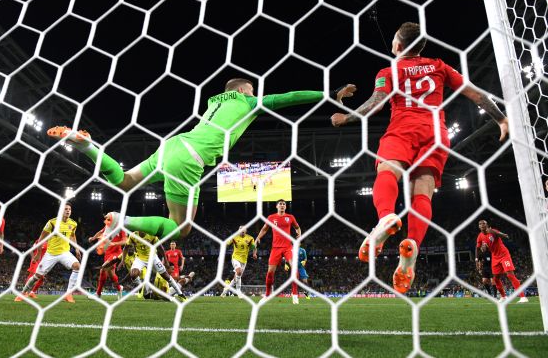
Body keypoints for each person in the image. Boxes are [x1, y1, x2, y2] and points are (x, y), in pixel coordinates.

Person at [47, 79, 356, 240]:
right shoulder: (247, 100)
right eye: (252, 90)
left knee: (125, 182)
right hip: (189, 158)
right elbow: (286, 98)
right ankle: (122, 221)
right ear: (242, 90)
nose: (255, 94)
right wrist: (328, 93)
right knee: (182, 229)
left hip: (172, 145)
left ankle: (87, 146)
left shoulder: (213, 102)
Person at [331, 22, 509, 294]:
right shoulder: (439, 66)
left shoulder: (388, 70)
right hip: (435, 133)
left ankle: (386, 217)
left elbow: (376, 102)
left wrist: (347, 116)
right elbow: (475, 93)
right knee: (422, 193)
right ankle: (411, 246)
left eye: (393, 39)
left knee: (387, 172)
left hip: (402, 129)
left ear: (398, 46)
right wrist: (501, 119)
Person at [15, 203, 81, 303]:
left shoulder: (73, 223)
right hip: (51, 254)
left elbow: (72, 236)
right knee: (37, 276)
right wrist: (38, 254)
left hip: (64, 252)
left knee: (77, 266)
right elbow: (41, 239)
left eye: (69, 209)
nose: (68, 211)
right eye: (65, 209)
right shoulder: (52, 222)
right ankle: (23, 293)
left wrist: (76, 249)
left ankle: (68, 294)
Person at [255, 199, 301, 304]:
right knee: (270, 271)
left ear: (285, 207)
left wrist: (299, 234)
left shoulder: (290, 217)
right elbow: (264, 229)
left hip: (288, 247)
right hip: (275, 248)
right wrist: (258, 238)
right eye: (280, 204)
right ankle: (267, 295)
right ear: (276, 206)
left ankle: (294, 295)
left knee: (294, 267)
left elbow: (297, 228)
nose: (282, 205)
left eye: (284, 204)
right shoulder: (271, 217)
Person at [120, 231, 186, 301]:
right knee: (133, 274)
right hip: (140, 259)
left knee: (166, 276)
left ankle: (181, 294)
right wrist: (123, 260)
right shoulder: (133, 235)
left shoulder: (151, 235)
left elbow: (161, 248)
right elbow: (126, 248)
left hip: (153, 258)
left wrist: (166, 261)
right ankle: (140, 287)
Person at [476, 220, 528, 303]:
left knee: (510, 275)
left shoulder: (493, 231)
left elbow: (505, 236)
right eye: (480, 224)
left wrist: (493, 232)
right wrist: (477, 259)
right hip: (495, 257)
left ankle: (523, 297)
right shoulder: (480, 236)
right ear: (478, 226)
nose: (482, 225)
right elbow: (478, 248)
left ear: (487, 225)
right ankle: (504, 297)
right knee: (496, 279)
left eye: (484, 223)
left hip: (504, 255)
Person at [89, 214, 127, 298]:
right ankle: (119, 288)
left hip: (116, 253)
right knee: (110, 274)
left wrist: (114, 243)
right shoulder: (107, 227)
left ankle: (98, 293)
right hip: (107, 253)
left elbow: (125, 241)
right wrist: (93, 238)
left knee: (103, 269)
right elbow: (100, 232)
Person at [221, 225, 257, 298]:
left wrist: (254, 254)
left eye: (243, 230)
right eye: (240, 230)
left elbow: (254, 247)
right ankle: (238, 291)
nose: (242, 231)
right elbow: (226, 244)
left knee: (236, 277)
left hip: (244, 260)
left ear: (246, 231)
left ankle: (225, 291)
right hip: (235, 258)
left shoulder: (250, 238)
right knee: (239, 272)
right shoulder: (234, 237)